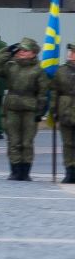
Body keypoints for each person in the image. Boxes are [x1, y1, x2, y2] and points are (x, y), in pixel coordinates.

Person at [0, 37, 49, 180]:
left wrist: (40, 112)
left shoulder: (38, 70)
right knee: (13, 141)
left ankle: (25, 172)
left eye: (25, 50)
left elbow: (43, 93)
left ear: (33, 53)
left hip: (30, 109)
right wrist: (7, 51)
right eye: (20, 49)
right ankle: (15, 171)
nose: (21, 52)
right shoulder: (11, 66)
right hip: (12, 107)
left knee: (27, 142)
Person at [51, 39, 75, 183]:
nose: (71, 55)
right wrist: (53, 110)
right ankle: (69, 170)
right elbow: (54, 91)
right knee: (67, 143)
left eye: (74, 53)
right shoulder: (61, 70)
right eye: (71, 52)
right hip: (65, 111)